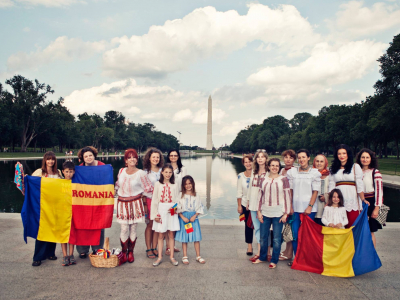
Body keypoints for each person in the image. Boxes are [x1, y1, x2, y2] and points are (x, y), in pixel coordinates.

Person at [115, 149, 153, 263]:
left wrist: (146, 200)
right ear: (126, 160)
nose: (132, 159)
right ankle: (124, 251)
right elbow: (117, 185)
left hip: (135, 203)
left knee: (133, 228)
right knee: (124, 228)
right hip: (122, 202)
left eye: (134, 157)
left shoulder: (141, 173)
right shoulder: (121, 171)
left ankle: (131, 252)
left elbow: (148, 189)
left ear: (137, 160)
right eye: (129, 157)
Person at [253, 158, 290, 269]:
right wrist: (259, 211)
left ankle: (274, 260)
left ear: (279, 167)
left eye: (277, 166)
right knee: (263, 237)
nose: (274, 167)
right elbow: (260, 196)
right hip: (265, 211)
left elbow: (287, 196)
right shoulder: (263, 179)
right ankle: (262, 257)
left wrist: (286, 213)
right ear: (268, 166)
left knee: (276, 238)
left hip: (278, 212)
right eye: (272, 165)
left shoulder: (283, 179)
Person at [286, 149, 321, 263]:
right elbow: (290, 191)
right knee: (295, 234)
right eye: (299, 157)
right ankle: (297, 258)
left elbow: (315, 191)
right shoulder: (292, 172)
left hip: (309, 209)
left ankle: (307, 259)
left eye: (303, 157)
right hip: (295, 208)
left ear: (309, 158)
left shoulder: (314, 173)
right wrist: (290, 206)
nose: (301, 160)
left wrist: (310, 206)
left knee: (306, 235)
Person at [31, 151, 63, 266]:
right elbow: (31, 183)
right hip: (43, 206)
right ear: (45, 160)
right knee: (42, 231)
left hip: (55, 205)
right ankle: (38, 257)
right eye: (48, 159)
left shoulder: (58, 172)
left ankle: (50, 253)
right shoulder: (40, 172)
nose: (51, 161)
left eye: (52, 159)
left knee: (53, 230)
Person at [76, 146, 106, 259]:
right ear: (82, 158)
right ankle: (82, 249)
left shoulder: (102, 166)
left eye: (90, 155)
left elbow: (106, 181)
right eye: (86, 156)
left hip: (98, 200)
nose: (88, 158)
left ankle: (97, 248)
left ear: (94, 155)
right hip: (84, 200)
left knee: (98, 224)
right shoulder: (80, 168)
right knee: (82, 224)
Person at [329, 144, 366, 228]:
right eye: (339, 153)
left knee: (352, 227)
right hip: (338, 201)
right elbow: (331, 186)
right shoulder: (333, 169)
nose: (341, 156)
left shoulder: (355, 167)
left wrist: (363, 199)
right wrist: (329, 201)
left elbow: (359, 185)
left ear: (348, 154)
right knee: (338, 227)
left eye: (344, 153)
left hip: (352, 201)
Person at [151, 164, 180, 266]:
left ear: (172, 173)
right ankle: (159, 257)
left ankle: (172, 256)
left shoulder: (175, 185)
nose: (168, 174)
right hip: (161, 210)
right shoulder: (158, 184)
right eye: (166, 172)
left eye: (170, 172)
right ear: (162, 172)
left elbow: (177, 200)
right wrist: (155, 215)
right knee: (160, 234)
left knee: (171, 234)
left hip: (171, 210)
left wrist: (175, 209)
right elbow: (154, 200)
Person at [175, 175, 205, 264]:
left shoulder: (196, 195)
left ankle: (198, 256)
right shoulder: (181, 195)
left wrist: (195, 215)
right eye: (186, 184)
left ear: (193, 184)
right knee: (185, 238)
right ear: (183, 185)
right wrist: (182, 216)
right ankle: (185, 256)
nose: (188, 185)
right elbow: (177, 206)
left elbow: (200, 206)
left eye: (189, 183)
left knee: (196, 237)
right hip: (184, 218)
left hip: (193, 218)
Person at [356, 148, 383, 247]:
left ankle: (372, 255)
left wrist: (376, 208)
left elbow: (379, 191)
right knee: (359, 230)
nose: (365, 159)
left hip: (371, 202)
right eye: (363, 157)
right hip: (359, 202)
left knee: (371, 231)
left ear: (371, 159)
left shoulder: (375, 172)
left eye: (367, 157)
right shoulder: (356, 172)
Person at [246, 149, 269, 262]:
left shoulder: (269, 173)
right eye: (258, 157)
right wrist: (248, 201)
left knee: (265, 229)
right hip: (253, 204)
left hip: (264, 205)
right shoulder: (254, 173)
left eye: (262, 157)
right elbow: (250, 188)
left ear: (266, 159)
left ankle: (266, 252)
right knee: (257, 229)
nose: (260, 159)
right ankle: (260, 252)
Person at [143, 147, 164, 259]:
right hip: (150, 200)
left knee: (157, 225)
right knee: (150, 225)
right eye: (153, 157)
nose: (155, 159)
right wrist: (145, 204)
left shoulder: (163, 170)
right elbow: (142, 190)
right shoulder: (145, 173)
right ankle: (148, 248)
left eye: (157, 157)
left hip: (161, 201)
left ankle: (155, 247)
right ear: (149, 158)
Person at [165, 149, 187, 254]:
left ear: (178, 157)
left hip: (178, 199)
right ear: (169, 157)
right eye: (171, 155)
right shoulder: (165, 169)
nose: (173, 157)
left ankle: (171, 246)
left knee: (174, 222)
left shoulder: (183, 169)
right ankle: (168, 247)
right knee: (169, 222)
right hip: (168, 199)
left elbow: (185, 184)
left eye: (175, 155)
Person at [278, 149, 296, 261]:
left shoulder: (294, 171)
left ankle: (289, 253)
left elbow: (292, 189)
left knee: (290, 228)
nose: (288, 159)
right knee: (286, 227)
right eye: (286, 157)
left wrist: (290, 206)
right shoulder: (282, 170)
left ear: (294, 160)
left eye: (290, 157)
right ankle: (286, 250)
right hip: (282, 201)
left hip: (290, 202)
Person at [237, 155, 254, 256]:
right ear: (243, 164)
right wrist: (239, 206)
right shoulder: (240, 176)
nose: (248, 164)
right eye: (246, 162)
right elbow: (239, 192)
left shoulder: (258, 174)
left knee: (260, 226)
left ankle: (263, 246)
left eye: (250, 161)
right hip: (244, 204)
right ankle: (249, 246)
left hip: (256, 205)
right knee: (248, 226)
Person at [61, 161, 76, 266]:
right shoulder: (59, 183)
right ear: (63, 172)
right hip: (63, 211)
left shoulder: (76, 183)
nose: (68, 174)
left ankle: (71, 254)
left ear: (74, 172)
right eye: (66, 171)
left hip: (73, 211)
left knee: (72, 233)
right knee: (63, 234)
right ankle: (65, 255)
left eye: (70, 172)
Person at [313, 154, 330, 226]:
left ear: (325, 163)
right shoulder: (311, 175)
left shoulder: (330, 176)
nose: (319, 163)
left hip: (325, 208)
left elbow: (332, 191)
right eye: (317, 161)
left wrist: (326, 198)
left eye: (321, 161)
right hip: (313, 208)